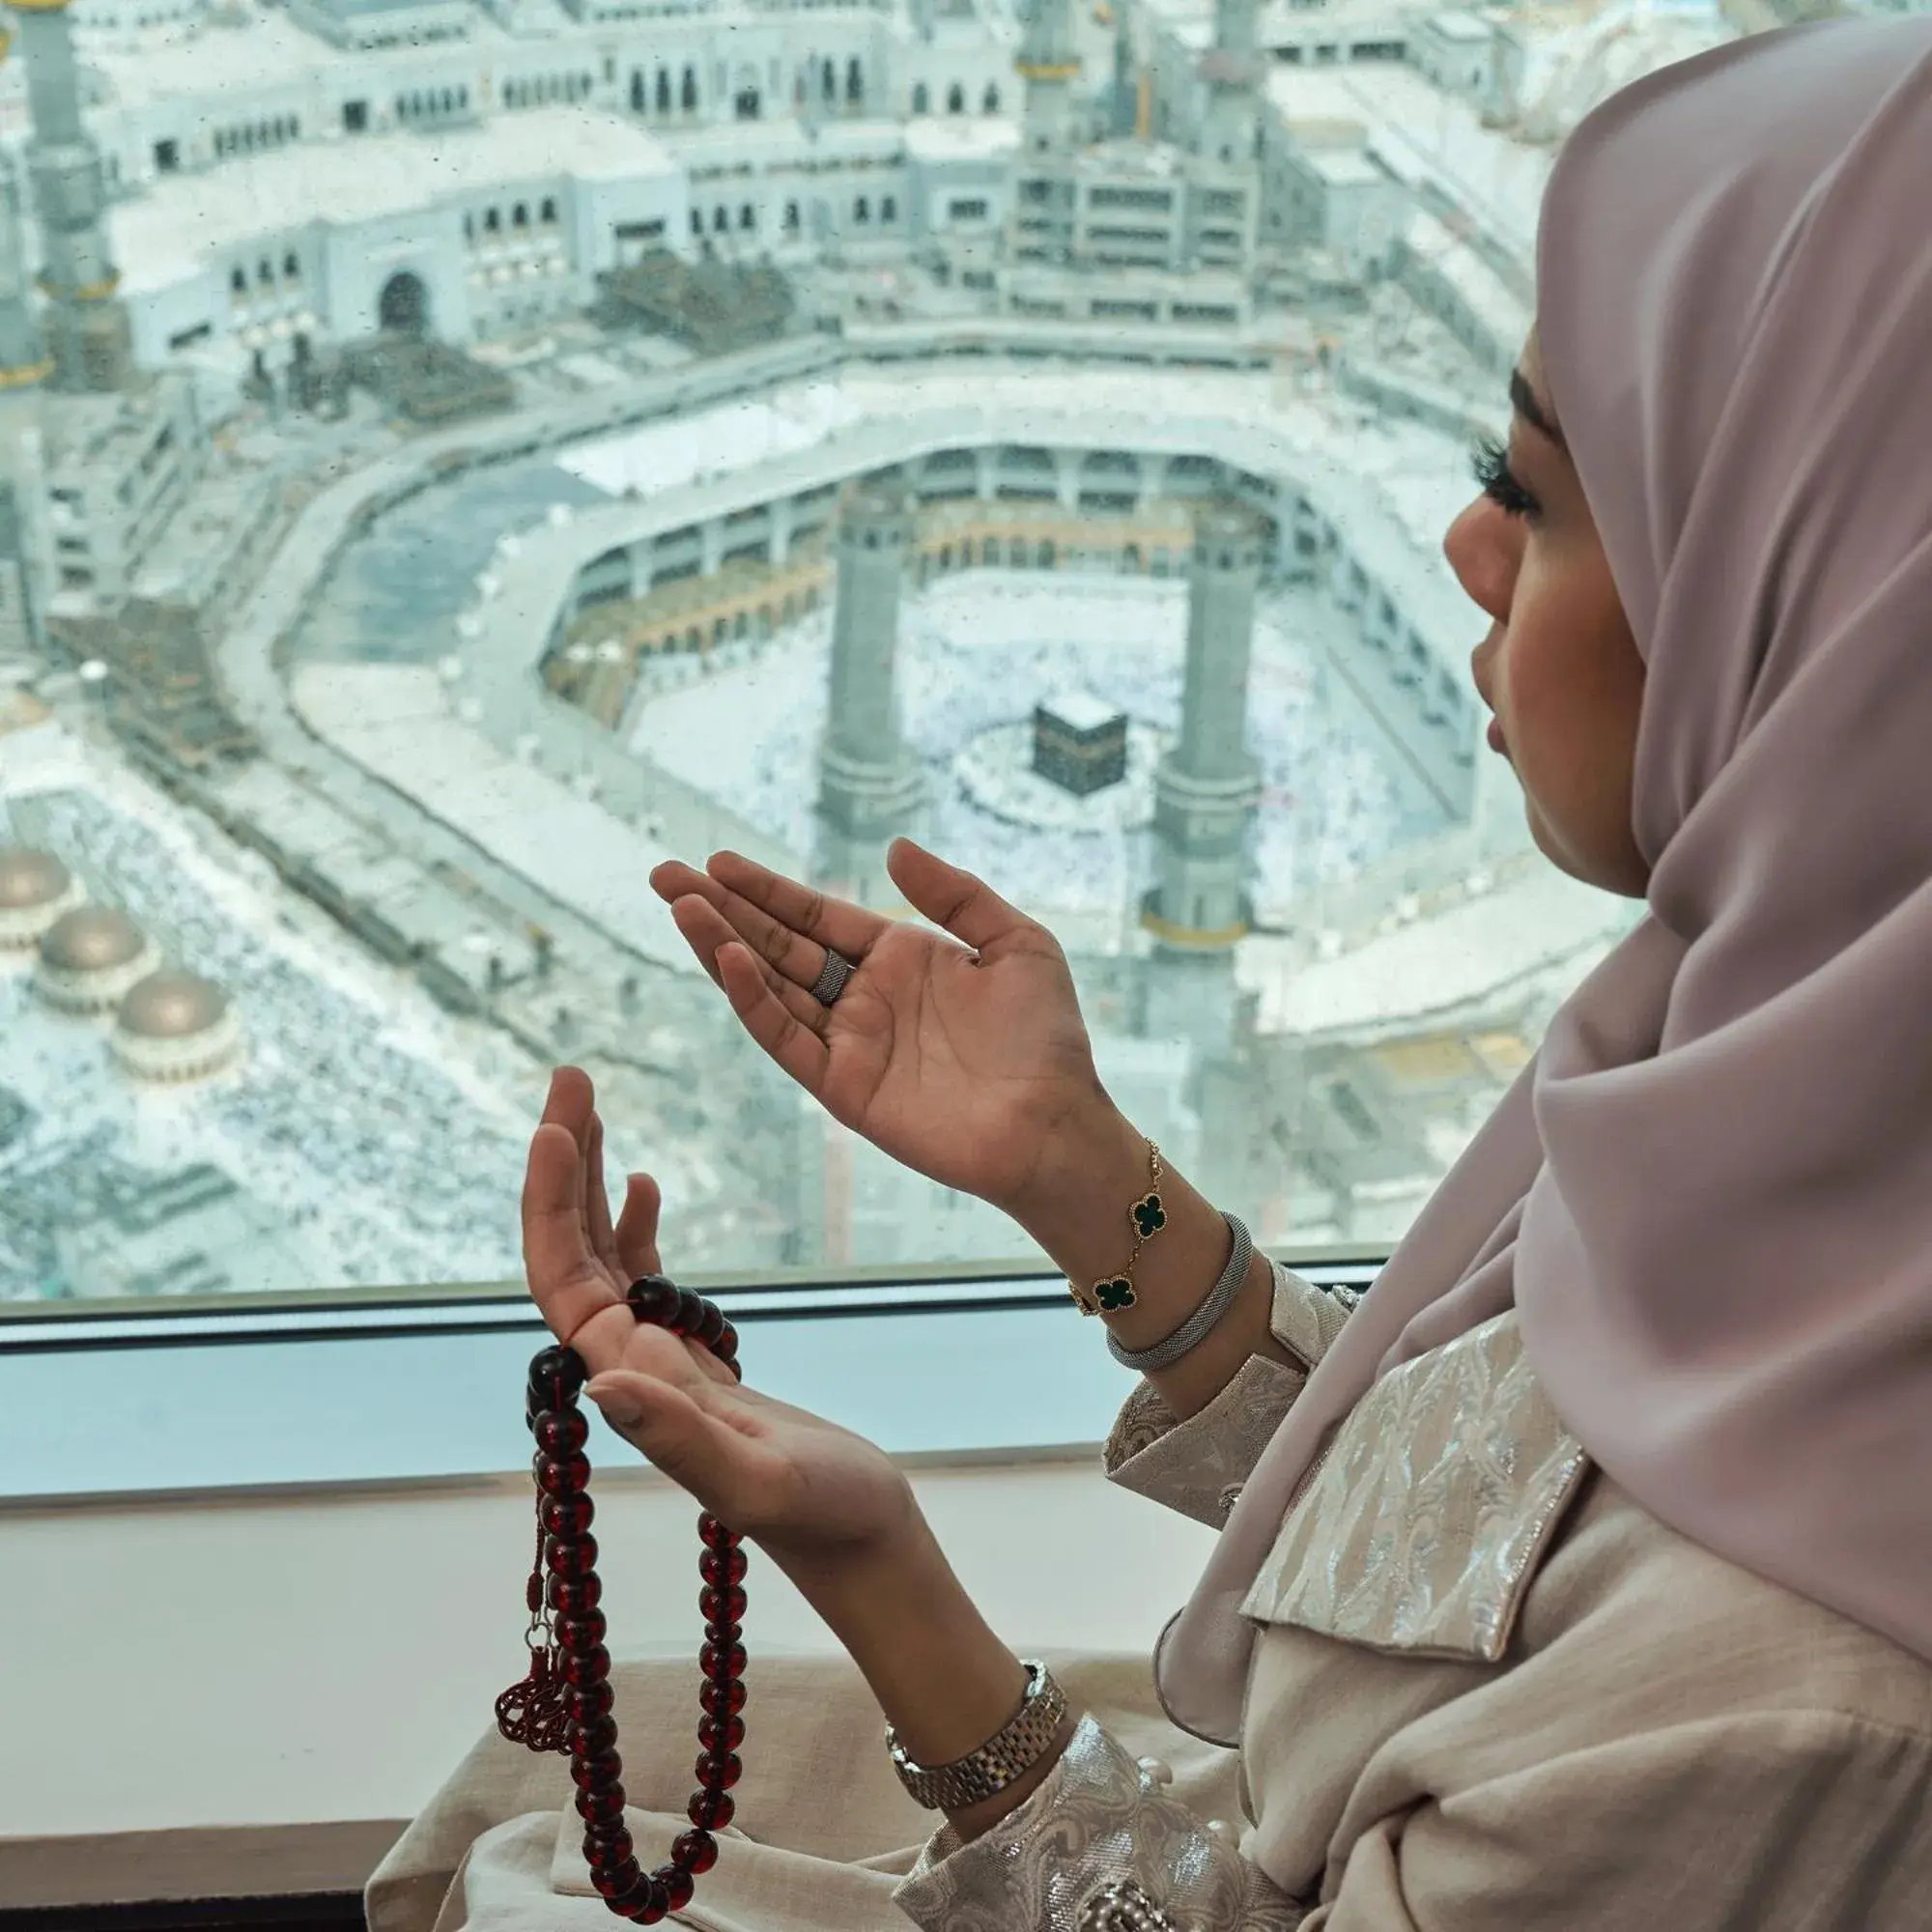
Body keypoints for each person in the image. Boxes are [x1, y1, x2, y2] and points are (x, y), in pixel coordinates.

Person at [365, 16, 1932, 1930]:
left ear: (1834, 614)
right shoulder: (1804, 1091)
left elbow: (1564, 1632)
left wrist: (882, 1578)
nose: (1455, 546)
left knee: (507, 1865)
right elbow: (1502, 1530)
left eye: (1529, 490)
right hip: (1288, 1788)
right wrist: (1084, 1182)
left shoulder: (1773, 1707)